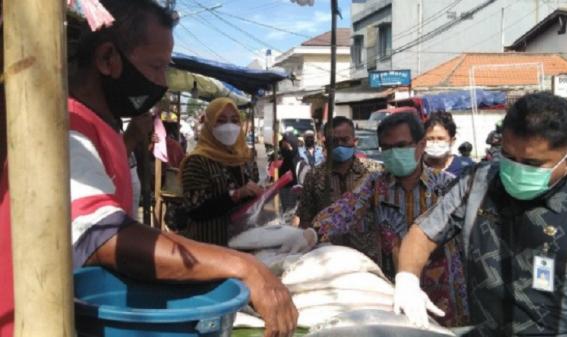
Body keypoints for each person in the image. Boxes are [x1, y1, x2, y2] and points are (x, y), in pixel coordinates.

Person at [0, 2, 298, 337]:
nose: (162, 83)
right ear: (107, 59)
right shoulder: (66, 131)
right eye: (156, 67)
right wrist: (245, 267)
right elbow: (108, 237)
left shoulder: (105, 128)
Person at [394, 92, 567, 336]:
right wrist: (407, 279)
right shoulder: (479, 183)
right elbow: (423, 232)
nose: (517, 169)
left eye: (532, 164)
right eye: (508, 157)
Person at [310, 113, 469, 327]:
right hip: (394, 291)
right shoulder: (376, 184)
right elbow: (345, 210)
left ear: (421, 145)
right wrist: (313, 231)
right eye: (386, 148)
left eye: (401, 145)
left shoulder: (447, 186)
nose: (393, 153)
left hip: (444, 292)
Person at [178, 97, 263, 246]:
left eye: (234, 120)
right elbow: (195, 210)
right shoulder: (197, 161)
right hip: (210, 247)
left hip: (245, 243)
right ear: (209, 125)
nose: (229, 126)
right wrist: (236, 195)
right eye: (221, 120)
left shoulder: (246, 158)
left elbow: (251, 196)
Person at [296, 116, 382, 229]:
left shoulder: (373, 171)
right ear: (325, 143)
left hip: (364, 246)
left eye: (345, 140)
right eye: (334, 141)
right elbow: (305, 218)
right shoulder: (314, 176)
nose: (339, 145)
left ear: (355, 141)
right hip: (327, 245)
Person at [423, 112, 473, 177]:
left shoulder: (466, 168)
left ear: (452, 141)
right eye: (430, 139)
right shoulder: (417, 169)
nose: (435, 143)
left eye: (440, 139)